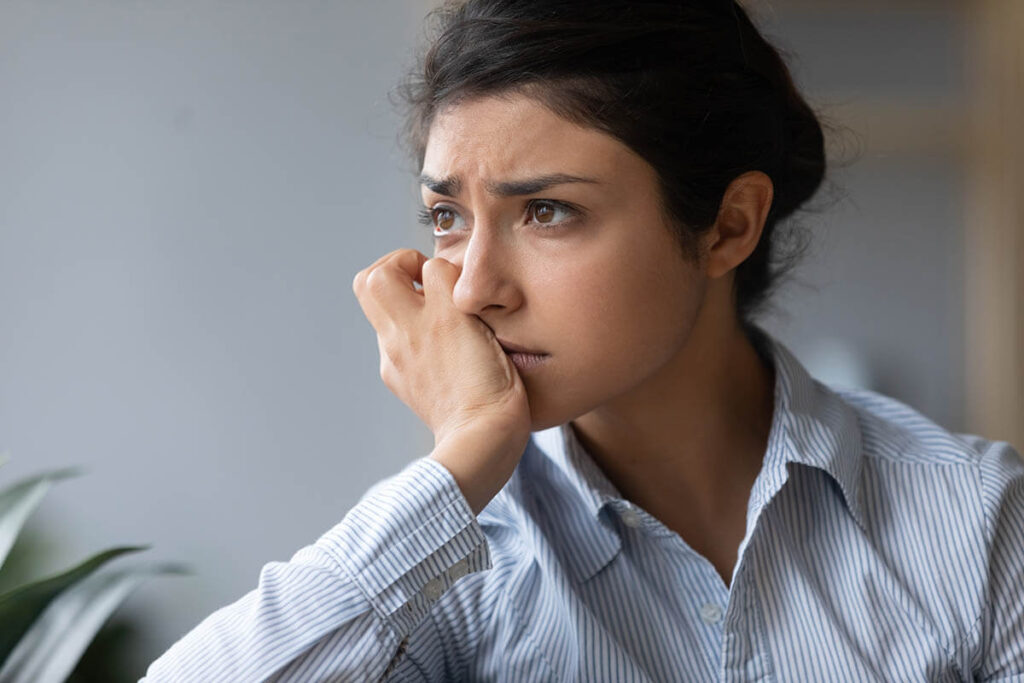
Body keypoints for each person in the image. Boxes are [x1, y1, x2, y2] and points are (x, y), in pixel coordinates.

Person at [143, 1, 1024, 680]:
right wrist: (462, 462)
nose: (477, 286)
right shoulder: (454, 564)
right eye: (448, 217)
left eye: (548, 211)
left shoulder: (980, 525)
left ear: (727, 224)